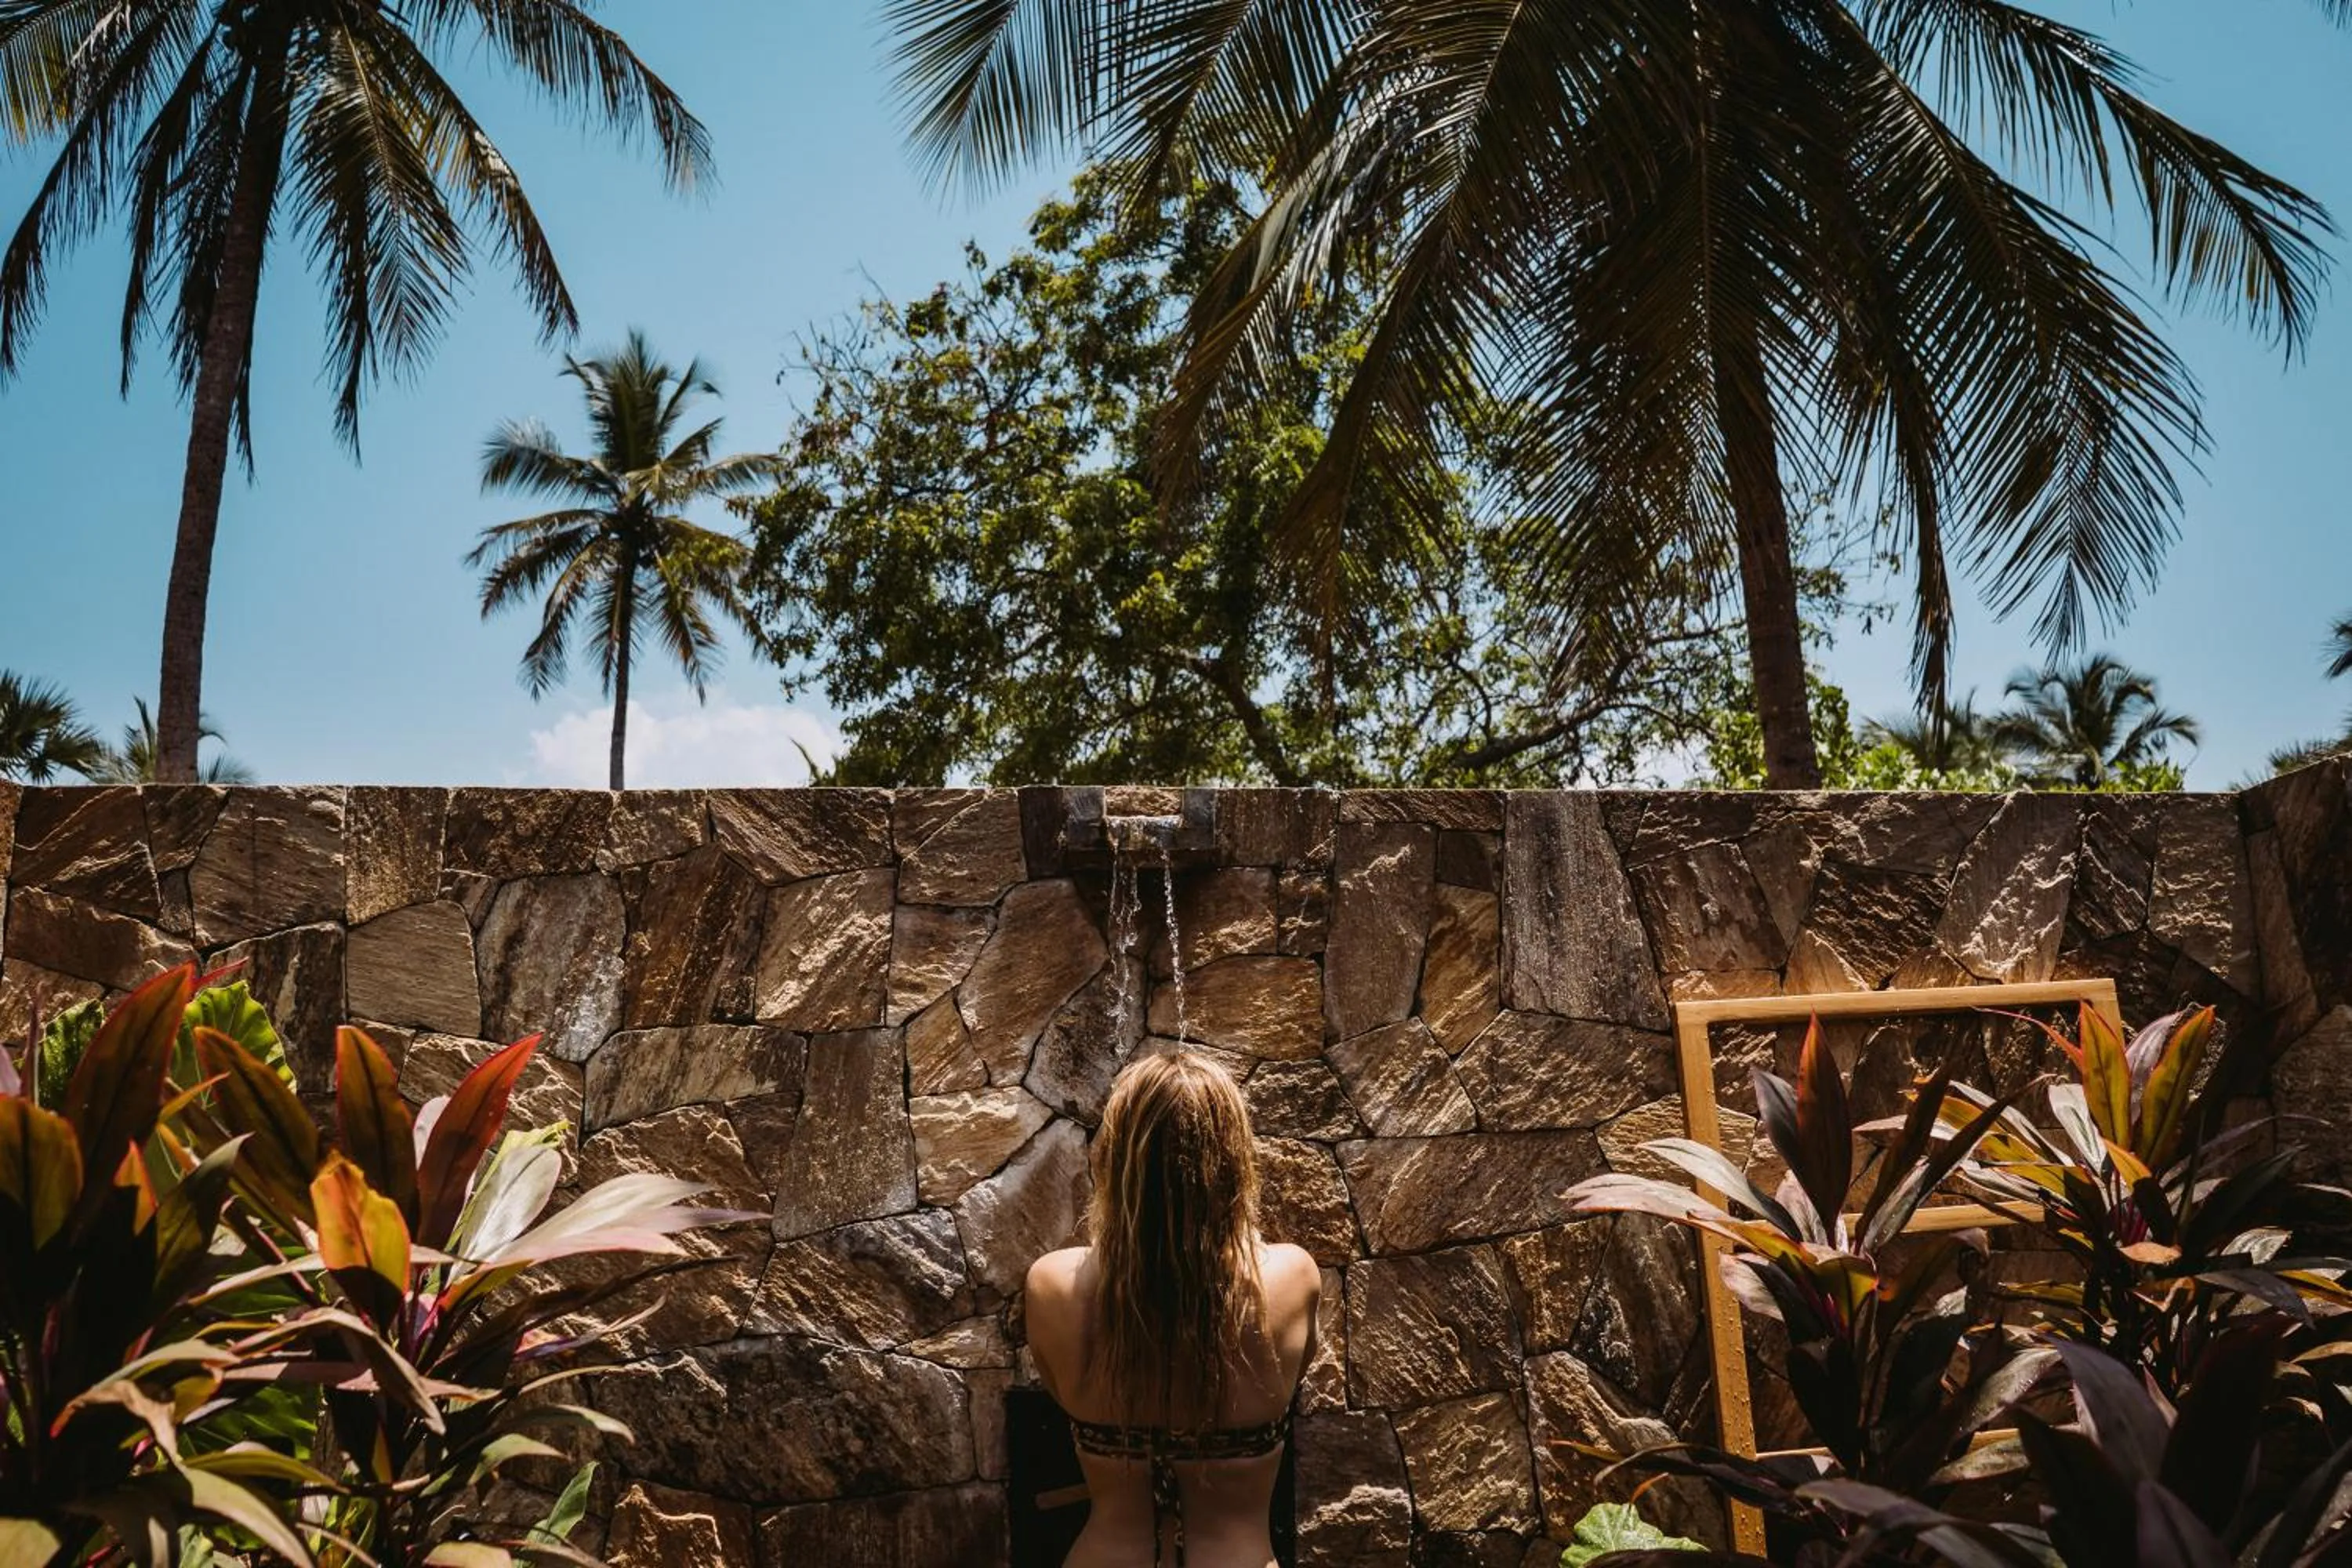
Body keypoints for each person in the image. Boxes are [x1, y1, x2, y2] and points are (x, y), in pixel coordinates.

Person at [1025, 1051, 1323, 1568]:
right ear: (1232, 1159)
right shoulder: (1292, 1277)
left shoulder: (1052, 1284)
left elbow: (1057, 1390)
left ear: (1114, 1159)